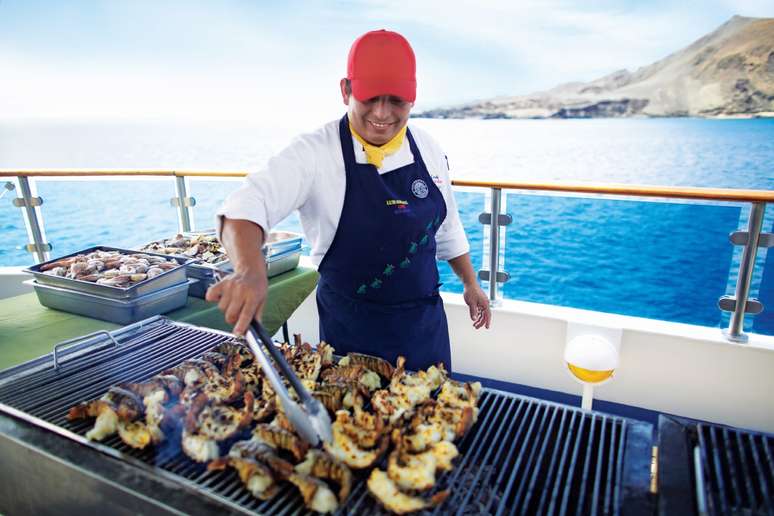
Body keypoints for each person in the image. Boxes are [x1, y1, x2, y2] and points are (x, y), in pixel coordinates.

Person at [207, 29, 491, 372]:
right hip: (353, 334)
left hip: (423, 329)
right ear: (346, 90)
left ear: (413, 99)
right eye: (370, 97)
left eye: (396, 100)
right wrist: (250, 271)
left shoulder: (428, 148)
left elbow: (446, 228)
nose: (383, 113)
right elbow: (245, 206)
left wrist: (470, 283)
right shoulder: (313, 153)